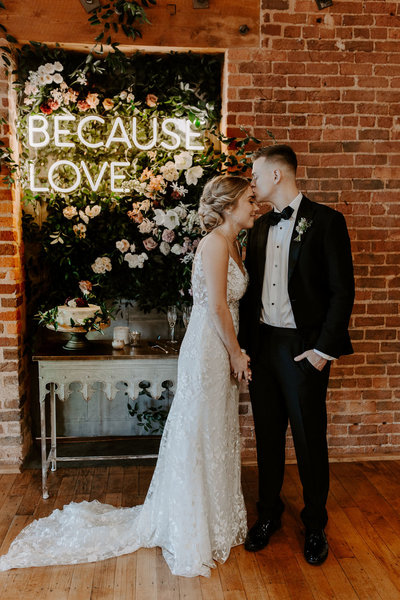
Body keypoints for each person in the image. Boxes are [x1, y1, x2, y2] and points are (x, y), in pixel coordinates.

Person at [0, 175, 256, 578]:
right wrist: (236, 353)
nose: (254, 206)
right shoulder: (215, 243)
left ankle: (213, 517)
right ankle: (189, 524)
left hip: (219, 346)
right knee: (199, 430)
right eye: (249, 200)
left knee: (215, 431)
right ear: (228, 206)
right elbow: (219, 308)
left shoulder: (234, 241)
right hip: (211, 348)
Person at [239, 145, 354, 566]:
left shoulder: (326, 222)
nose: (251, 182)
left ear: (276, 176)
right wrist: (243, 349)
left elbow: (343, 291)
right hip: (263, 345)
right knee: (267, 437)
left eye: (255, 175)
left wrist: (323, 351)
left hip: (303, 350)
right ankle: (268, 515)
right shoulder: (257, 226)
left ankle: (315, 524)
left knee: (309, 440)